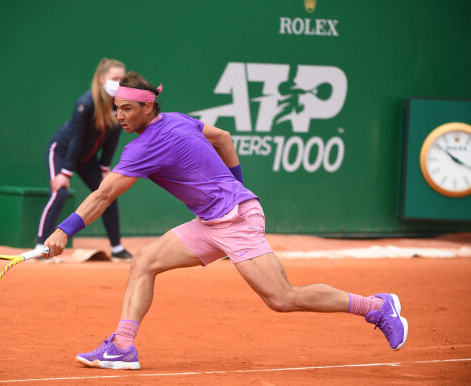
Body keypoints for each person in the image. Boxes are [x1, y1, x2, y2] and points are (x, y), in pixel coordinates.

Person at [44, 72, 408, 370]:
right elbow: (225, 138)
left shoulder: (143, 147)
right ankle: (122, 346)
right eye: (117, 109)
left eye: (126, 109)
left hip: (235, 221)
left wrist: (64, 230)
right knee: (145, 261)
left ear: (148, 106)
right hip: (211, 221)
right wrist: (237, 184)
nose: (120, 116)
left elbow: (103, 195)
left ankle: (377, 308)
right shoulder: (178, 119)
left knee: (282, 298)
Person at [36, 58, 132, 262]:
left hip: (88, 159)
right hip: (62, 152)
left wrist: (105, 168)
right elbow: (76, 140)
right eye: (115, 78)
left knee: (109, 192)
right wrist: (65, 173)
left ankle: (116, 249)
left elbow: (113, 138)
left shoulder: (120, 104)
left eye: (122, 78)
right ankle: (40, 246)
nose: (119, 82)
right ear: (101, 78)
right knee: (59, 193)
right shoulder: (85, 103)